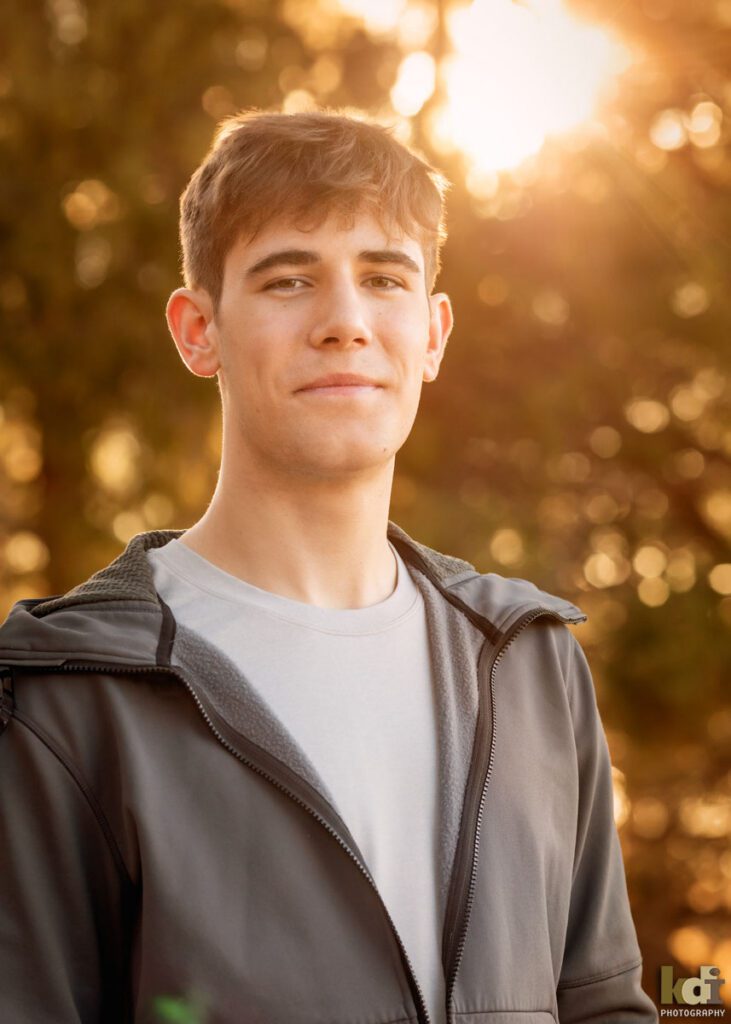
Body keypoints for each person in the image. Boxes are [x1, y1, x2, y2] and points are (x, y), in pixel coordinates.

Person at [0, 108, 658, 1024]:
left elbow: (603, 1005)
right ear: (199, 331)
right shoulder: (63, 703)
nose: (345, 321)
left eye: (383, 277)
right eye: (287, 280)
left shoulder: (533, 664)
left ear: (432, 334)